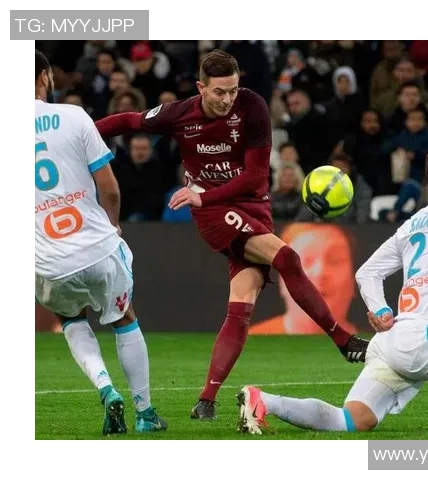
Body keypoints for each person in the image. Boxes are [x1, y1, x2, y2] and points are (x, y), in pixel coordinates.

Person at [94, 49, 369, 421]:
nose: (227, 99)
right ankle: (343, 340)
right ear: (201, 88)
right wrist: (80, 132)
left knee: (241, 306)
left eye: (233, 90)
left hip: (254, 207)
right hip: (213, 213)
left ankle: (206, 400)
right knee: (287, 257)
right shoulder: (179, 114)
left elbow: (255, 176)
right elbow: (129, 120)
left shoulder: (252, 107)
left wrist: (203, 194)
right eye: (219, 92)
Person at [236, 141, 428, 435]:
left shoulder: (411, 225)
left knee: (351, 420)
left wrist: (381, 310)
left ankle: (264, 401)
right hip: (426, 340)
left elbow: (368, 273)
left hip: (391, 340)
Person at [34, 50, 167, 436]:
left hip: (47, 259)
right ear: (44, 77)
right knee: (124, 317)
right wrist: (113, 227)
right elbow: (109, 188)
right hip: (96, 246)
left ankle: (107, 389)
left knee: (71, 319)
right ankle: (145, 413)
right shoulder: (75, 117)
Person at [250, 223, 358, 335]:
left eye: (335, 260)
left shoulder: (368, 340)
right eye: (304, 261)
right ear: (282, 280)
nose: (319, 272)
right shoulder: (253, 338)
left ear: (353, 280)